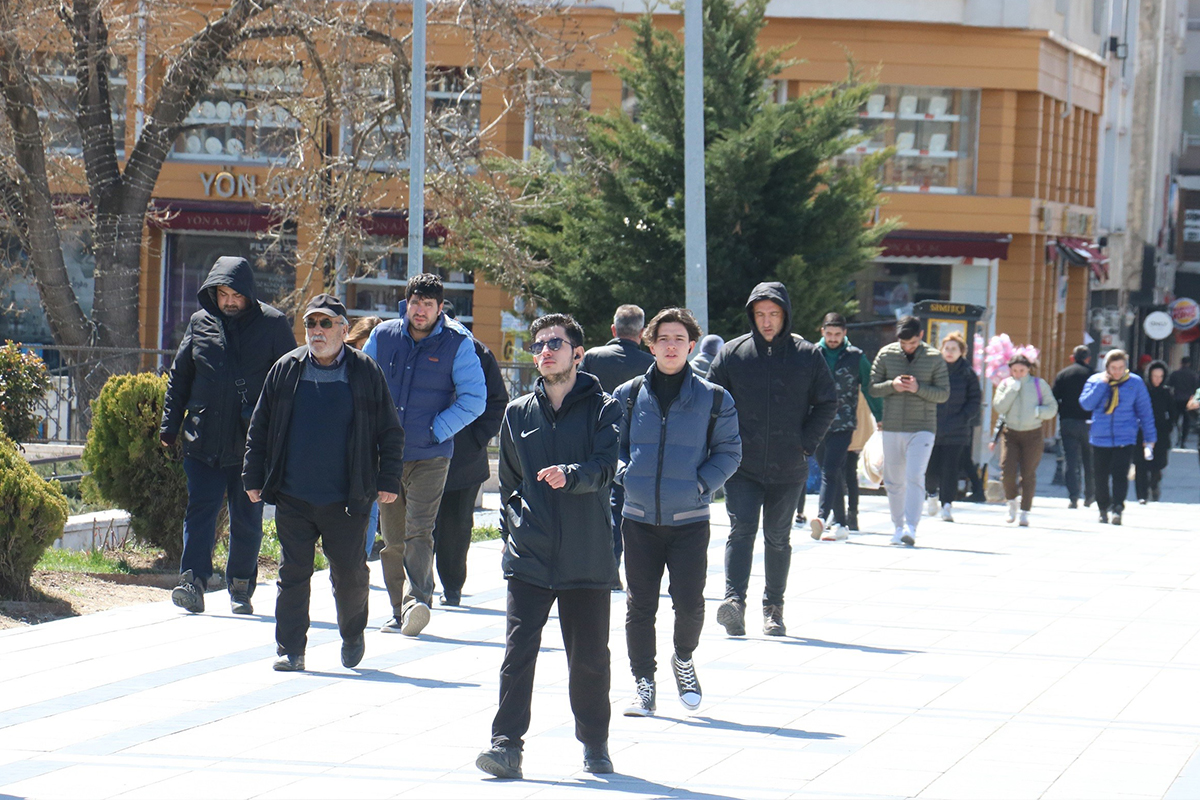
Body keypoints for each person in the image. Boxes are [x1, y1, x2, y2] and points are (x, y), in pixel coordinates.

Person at [475, 313, 622, 780]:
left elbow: (606, 467)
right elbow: (510, 485)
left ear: (577, 353)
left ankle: (595, 743)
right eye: (538, 345)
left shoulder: (604, 408)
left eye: (554, 343)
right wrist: (512, 535)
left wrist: (570, 474)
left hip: (587, 554)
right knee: (517, 654)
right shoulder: (518, 413)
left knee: (590, 661)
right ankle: (506, 746)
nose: (544, 351)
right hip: (531, 556)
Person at [242, 294, 405, 672]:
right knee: (292, 574)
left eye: (325, 323)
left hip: (347, 498)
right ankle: (291, 650)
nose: (317, 331)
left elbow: (389, 430)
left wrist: (388, 478)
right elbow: (260, 426)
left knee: (349, 575)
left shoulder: (365, 371)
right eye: (311, 323)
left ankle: (352, 633)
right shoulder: (286, 369)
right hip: (293, 495)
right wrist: (252, 475)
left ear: (344, 330)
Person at [613, 308, 741, 718]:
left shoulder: (714, 398)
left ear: (691, 346)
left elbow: (730, 452)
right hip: (638, 519)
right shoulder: (628, 394)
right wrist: (626, 476)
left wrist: (699, 485)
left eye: (679, 339)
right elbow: (610, 445)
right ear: (650, 345)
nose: (671, 346)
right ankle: (643, 683)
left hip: (689, 520)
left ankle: (683, 658)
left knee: (689, 605)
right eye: (663, 338)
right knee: (640, 606)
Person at [160, 256, 296, 615]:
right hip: (203, 437)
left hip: (251, 444)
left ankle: (240, 586)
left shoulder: (273, 324)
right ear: (213, 294)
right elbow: (180, 376)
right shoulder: (199, 322)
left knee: (246, 517)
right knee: (200, 512)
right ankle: (192, 581)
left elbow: (290, 384)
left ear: (248, 293)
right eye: (223, 294)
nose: (230, 301)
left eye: (236, 295)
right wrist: (169, 425)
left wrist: (283, 435)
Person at [706, 282, 837, 637]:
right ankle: (734, 603)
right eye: (760, 314)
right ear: (751, 315)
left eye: (774, 314)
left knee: (778, 537)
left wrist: (805, 444)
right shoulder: (733, 354)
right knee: (741, 531)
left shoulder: (807, 355)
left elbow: (828, 402)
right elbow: (709, 401)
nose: (767, 321)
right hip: (741, 465)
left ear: (785, 316)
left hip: (789, 465)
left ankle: (773, 608)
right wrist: (722, 445)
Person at [363, 274, 486, 637]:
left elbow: (475, 398)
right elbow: (360, 383)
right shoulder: (383, 336)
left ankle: (417, 601)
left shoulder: (458, 343)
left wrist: (437, 430)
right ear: (407, 303)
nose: (420, 311)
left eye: (428, 305)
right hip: (387, 456)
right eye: (415, 303)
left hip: (431, 456)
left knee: (419, 531)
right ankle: (398, 609)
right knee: (392, 539)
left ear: (439, 308)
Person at [431, 305, 509, 606]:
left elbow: (497, 401)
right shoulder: (413, 345)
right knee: (419, 526)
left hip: (463, 460)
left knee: (456, 528)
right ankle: (418, 587)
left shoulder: (477, 351)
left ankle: (452, 588)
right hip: (420, 454)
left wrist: (476, 439)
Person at [580, 304, 656, 581]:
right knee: (621, 507)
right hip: (633, 446)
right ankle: (614, 567)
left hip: (593, 441)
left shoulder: (593, 356)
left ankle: (594, 566)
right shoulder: (650, 364)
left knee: (592, 504)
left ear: (614, 329)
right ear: (642, 332)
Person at [868, 316, 949, 546]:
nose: (908, 347)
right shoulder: (886, 354)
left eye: (912, 343)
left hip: (922, 427)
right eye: (903, 343)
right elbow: (872, 387)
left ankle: (911, 527)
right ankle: (898, 526)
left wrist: (918, 388)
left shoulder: (934, 357)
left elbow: (943, 393)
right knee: (893, 481)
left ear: (921, 336)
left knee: (914, 475)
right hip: (892, 426)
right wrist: (892, 385)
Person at [810, 312, 882, 541]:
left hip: (844, 423)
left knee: (831, 470)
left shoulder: (855, 357)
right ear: (822, 332)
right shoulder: (812, 354)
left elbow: (870, 387)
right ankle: (841, 524)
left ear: (845, 333)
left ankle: (822, 517)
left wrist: (880, 416)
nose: (833, 338)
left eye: (837, 334)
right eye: (829, 334)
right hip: (816, 422)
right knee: (830, 472)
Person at [1079, 349, 1156, 526]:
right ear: (1106, 367)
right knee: (1100, 476)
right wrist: (1102, 385)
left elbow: (1145, 412)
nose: (1117, 372)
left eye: (1121, 367)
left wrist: (1149, 439)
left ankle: (1117, 509)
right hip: (1100, 436)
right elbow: (1086, 404)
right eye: (1113, 368)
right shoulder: (1095, 381)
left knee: (1120, 474)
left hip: (1125, 437)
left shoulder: (1134, 383)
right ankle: (1103, 508)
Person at [991, 353, 1057, 527]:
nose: (1018, 374)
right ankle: (1011, 502)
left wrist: (1038, 412)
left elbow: (1052, 407)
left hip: (1032, 433)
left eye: (1021, 370)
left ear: (1028, 369)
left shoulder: (1038, 384)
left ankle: (1025, 511)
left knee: (1028, 473)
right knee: (1007, 470)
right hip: (1011, 433)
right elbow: (999, 407)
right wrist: (1012, 390)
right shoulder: (1006, 384)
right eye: (1014, 370)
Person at [924, 332, 981, 523]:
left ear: (961, 352)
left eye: (954, 349)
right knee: (930, 468)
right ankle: (931, 494)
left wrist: (963, 418)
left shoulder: (968, 373)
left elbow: (975, 400)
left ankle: (947, 505)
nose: (949, 352)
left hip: (957, 430)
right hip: (931, 427)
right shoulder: (933, 369)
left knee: (950, 470)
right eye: (946, 348)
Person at [345, 315, 385, 558]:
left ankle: (360, 561)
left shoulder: (384, 373)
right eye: (362, 347)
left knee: (369, 508)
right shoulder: (340, 364)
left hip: (371, 451)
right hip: (341, 449)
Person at [1053, 345, 1096, 509]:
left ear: (1073, 358)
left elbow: (1054, 397)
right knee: (1089, 461)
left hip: (1068, 422)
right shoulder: (1094, 376)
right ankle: (1090, 495)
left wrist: (1062, 411)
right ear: (1088, 359)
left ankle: (1073, 497)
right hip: (1090, 423)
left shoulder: (1063, 374)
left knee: (1071, 461)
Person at [1135, 360, 1173, 504]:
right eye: (1155, 376)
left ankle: (1154, 485)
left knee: (1157, 464)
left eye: (1160, 376)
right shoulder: (1142, 391)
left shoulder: (1166, 392)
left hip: (1160, 433)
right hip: (1142, 431)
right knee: (1141, 464)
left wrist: (1168, 427)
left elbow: (1172, 413)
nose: (1157, 379)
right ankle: (1142, 495)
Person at [1167, 356, 1199, 447]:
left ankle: (1174, 438)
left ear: (1181, 363)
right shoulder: (1193, 375)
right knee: (1186, 422)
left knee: (1174, 420)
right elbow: (1196, 388)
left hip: (1177, 399)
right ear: (1189, 363)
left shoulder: (1175, 374)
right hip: (1188, 400)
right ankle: (1183, 441)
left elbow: (1169, 385)